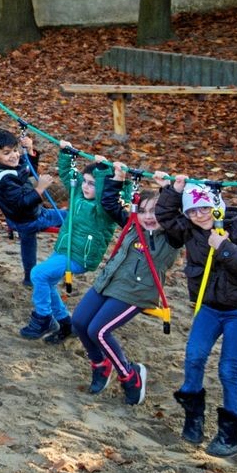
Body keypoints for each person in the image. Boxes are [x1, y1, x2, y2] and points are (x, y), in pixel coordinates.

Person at [156, 175, 237, 457]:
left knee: (228, 368)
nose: (199, 215)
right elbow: (165, 216)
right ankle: (193, 416)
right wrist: (175, 190)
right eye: (192, 211)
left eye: (204, 208)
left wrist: (225, 248)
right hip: (208, 307)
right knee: (194, 356)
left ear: (216, 206)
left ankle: (230, 432)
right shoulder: (190, 230)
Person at [71, 162, 178, 406]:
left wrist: (169, 190)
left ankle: (130, 376)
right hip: (110, 281)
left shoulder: (171, 237)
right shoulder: (132, 224)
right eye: (143, 211)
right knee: (79, 322)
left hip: (137, 292)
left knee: (98, 330)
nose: (149, 217)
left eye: (156, 212)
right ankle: (101, 363)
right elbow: (110, 202)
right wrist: (118, 178)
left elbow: (172, 216)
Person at [22, 143, 120, 344]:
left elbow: (106, 194)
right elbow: (68, 176)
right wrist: (66, 153)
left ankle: (43, 317)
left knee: (38, 274)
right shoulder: (77, 194)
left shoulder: (103, 209)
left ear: (101, 186)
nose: (85, 186)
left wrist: (104, 173)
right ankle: (66, 323)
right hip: (64, 249)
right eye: (85, 181)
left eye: (92, 183)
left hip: (80, 256)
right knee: (47, 281)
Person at [0, 128, 61, 286]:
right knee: (68, 218)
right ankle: (52, 265)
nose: (14, 155)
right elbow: (20, 203)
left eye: (15, 150)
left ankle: (29, 278)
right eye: (7, 153)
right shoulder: (5, 178)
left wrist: (30, 150)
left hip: (22, 217)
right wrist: (40, 189)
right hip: (28, 217)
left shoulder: (9, 167)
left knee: (28, 244)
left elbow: (28, 170)